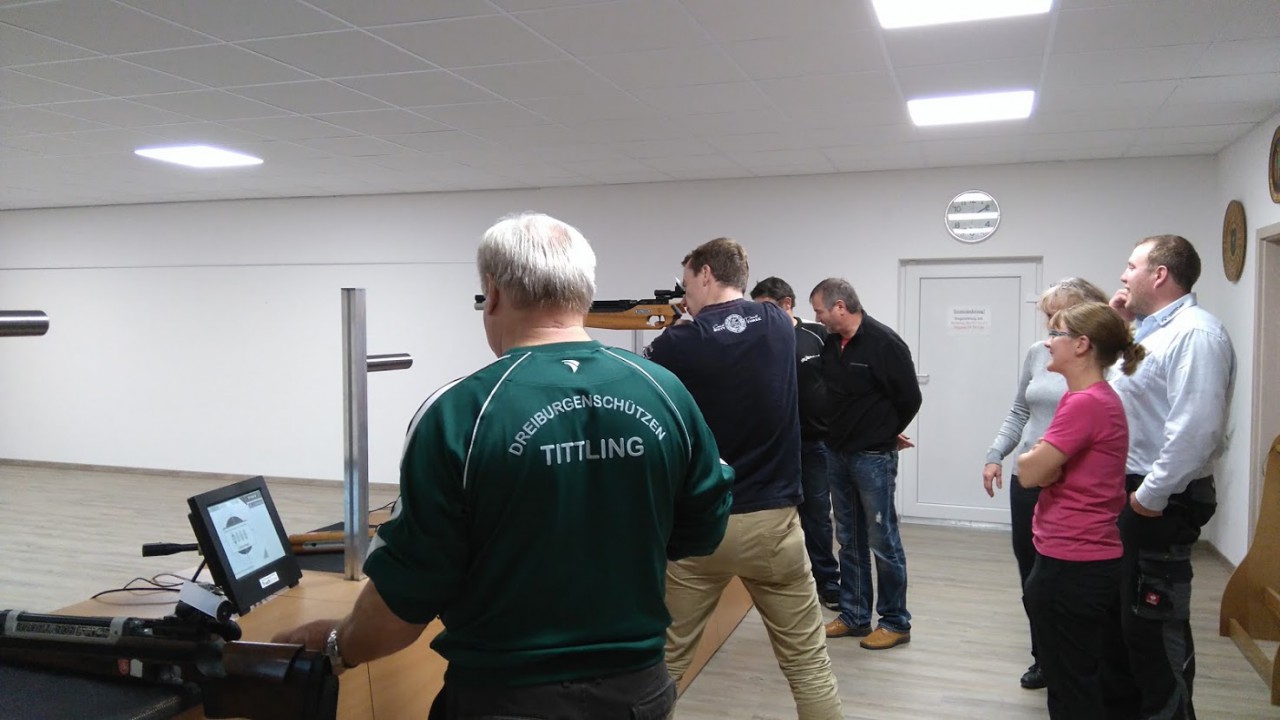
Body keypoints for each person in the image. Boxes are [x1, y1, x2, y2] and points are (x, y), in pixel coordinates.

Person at [273, 213, 734, 720]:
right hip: (638, 693)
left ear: (492, 293)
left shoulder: (459, 412)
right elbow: (704, 527)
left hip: (505, 697)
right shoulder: (664, 392)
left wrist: (336, 645)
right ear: (583, 292)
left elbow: (407, 596)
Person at [645, 239, 842, 720]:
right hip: (774, 525)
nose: (685, 294)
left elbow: (657, 385)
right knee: (809, 665)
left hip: (703, 527)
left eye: (687, 283)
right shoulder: (777, 321)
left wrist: (682, 325)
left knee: (663, 666)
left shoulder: (677, 344)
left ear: (706, 274)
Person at [1108, 235, 1236, 720]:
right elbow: (1123, 396)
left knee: (1156, 631)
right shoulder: (1148, 331)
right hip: (1137, 491)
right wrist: (1122, 326)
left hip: (1160, 497)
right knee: (1129, 629)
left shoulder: (1196, 334)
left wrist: (1149, 497)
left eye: (1131, 265)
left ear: (1159, 274)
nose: (1123, 276)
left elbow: (1196, 431)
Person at [1017, 301, 1146, 719]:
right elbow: (1042, 468)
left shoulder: (1085, 403)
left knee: (1072, 686)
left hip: (1071, 563)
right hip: (1081, 558)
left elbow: (1028, 473)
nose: (1047, 342)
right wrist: (1044, 464)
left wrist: (1040, 463)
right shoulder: (1091, 398)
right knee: (1081, 678)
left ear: (1082, 345)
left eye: (1056, 334)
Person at [983, 277, 1110, 690]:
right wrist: (995, 454)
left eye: (1059, 318)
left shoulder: (1105, 361)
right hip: (1029, 479)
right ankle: (1044, 657)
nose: (1050, 328)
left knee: (1066, 579)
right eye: (1048, 318)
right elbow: (1020, 410)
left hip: (1074, 483)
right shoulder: (1040, 353)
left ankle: (1078, 660)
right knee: (1033, 577)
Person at [810, 278, 921, 651]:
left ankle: (895, 621)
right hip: (837, 453)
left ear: (840, 307)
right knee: (849, 537)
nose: (817, 318)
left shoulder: (884, 343)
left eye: (820, 311)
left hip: (872, 456)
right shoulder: (831, 344)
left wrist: (885, 431)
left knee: (881, 539)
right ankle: (855, 615)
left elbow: (910, 397)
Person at [750, 275, 840, 610]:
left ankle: (827, 581)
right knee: (774, 515)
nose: (760, 316)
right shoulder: (757, 338)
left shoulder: (817, 334)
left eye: (766, 308)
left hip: (815, 442)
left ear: (787, 304)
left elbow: (841, 381)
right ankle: (776, 582)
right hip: (774, 443)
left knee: (816, 515)